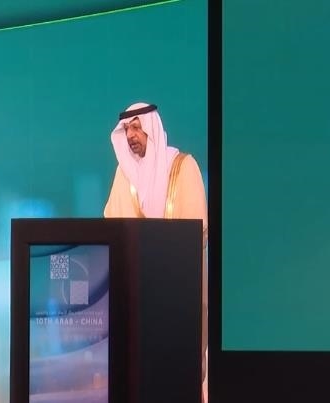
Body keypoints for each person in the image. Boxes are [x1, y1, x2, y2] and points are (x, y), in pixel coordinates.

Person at [103, 102, 208, 401]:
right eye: (126, 130)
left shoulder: (183, 167)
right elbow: (111, 229)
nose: (131, 135)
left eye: (137, 128)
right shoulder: (124, 176)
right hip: (136, 298)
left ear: (152, 128)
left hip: (179, 295)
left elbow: (197, 231)